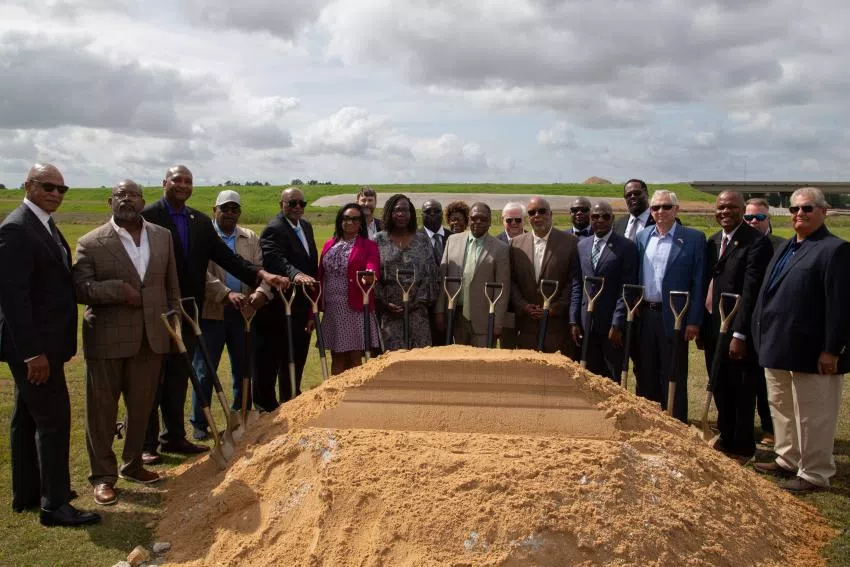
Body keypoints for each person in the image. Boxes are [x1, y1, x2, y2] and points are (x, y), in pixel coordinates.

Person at [141, 165, 288, 465]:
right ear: (164, 182)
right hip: (159, 309)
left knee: (179, 376)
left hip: (188, 309)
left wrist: (262, 275)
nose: (183, 185)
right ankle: (146, 444)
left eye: (188, 181)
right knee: (153, 378)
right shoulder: (148, 216)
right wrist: (226, 293)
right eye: (177, 180)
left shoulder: (197, 221)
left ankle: (173, 437)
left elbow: (228, 259)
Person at [0, 163, 100, 526]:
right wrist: (32, 353)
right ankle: (55, 505)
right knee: (53, 420)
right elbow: (13, 299)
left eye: (62, 189)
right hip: (33, 349)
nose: (56, 194)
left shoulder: (43, 223)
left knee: (26, 418)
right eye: (48, 187)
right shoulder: (16, 228)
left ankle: (29, 492)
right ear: (28, 185)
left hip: (44, 345)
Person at [73, 180, 181, 505]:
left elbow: (171, 287)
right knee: (102, 412)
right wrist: (117, 290)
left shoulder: (162, 236)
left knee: (142, 407)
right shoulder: (91, 242)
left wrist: (174, 327)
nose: (126, 200)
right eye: (120, 195)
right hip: (107, 340)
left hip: (151, 338)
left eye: (132, 195)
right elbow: (80, 289)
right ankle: (103, 477)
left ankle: (133, 465)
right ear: (110, 202)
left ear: (143, 202)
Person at [752, 187, 850, 493]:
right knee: (781, 407)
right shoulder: (785, 246)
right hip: (777, 345)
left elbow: (841, 305)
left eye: (807, 208)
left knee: (814, 415)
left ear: (824, 211)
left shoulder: (835, 250)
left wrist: (832, 349)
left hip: (813, 350)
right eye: (794, 209)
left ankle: (815, 473)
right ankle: (787, 458)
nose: (799, 214)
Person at [698, 191, 773, 463]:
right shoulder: (714, 241)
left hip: (738, 328)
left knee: (741, 388)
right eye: (720, 207)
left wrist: (740, 334)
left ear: (742, 210)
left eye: (731, 207)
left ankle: (741, 446)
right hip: (714, 323)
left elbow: (752, 291)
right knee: (719, 382)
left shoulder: (756, 243)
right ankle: (726, 435)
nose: (725, 212)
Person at [190, 190, 271, 440]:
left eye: (234, 209)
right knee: (205, 370)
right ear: (214, 210)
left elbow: (261, 269)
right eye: (224, 208)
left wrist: (261, 293)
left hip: (244, 312)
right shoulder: (204, 235)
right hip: (212, 312)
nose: (229, 213)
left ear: (240, 212)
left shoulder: (250, 237)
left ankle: (240, 415)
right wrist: (225, 294)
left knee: (244, 368)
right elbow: (200, 273)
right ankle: (200, 423)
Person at [635, 190, 705, 422]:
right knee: (646, 373)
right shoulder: (642, 237)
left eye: (666, 207)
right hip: (646, 315)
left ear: (677, 209)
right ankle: (648, 423)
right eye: (655, 207)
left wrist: (693, 321)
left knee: (673, 373)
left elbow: (699, 282)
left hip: (675, 316)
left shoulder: (693, 239)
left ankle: (676, 424)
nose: (660, 211)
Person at [255, 187, 319, 410]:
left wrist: (312, 307)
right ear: (281, 204)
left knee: (297, 355)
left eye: (302, 203)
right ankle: (266, 406)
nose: (297, 207)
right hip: (279, 305)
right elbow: (275, 259)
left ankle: (291, 398)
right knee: (273, 358)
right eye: (292, 203)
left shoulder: (306, 227)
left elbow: (311, 264)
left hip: (301, 304)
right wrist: (295, 274)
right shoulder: (274, 229)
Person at [569, 201, 638, 381]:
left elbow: (626, 288)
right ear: (590, 218)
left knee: (612, 377)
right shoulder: (582, 246)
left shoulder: (626, 247)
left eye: (605, 216)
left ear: (612, 219)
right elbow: (577, 285)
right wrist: (573, 319)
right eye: (595, 216)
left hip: (611, 326)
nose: (600, 220)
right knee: (588, 376)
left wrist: (617, 323)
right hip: (586, 322)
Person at [509, 197, 580, 353]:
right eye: (532, 212)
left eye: (542, 211)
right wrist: (523, 306)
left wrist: (555, 309)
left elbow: (573, 282)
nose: (537, 215)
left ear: (550, 214)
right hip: (527, 326)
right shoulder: (515, 244)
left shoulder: (570, 243)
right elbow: (512, 281)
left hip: (556, 328)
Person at [435, 203, 510, 346]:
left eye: (483, 219)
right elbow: (443, 279)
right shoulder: (452, 241)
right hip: (456, 317)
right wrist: (439, 311)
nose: (478, 222)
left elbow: (503, 289)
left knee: (482, 359)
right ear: (468, 219)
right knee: (458, 358)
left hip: (484, 320)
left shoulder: (500, 248)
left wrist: (498, 323)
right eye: (474, 218)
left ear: (490, 221)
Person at [317, 204, 381, 373]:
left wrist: (370, 274)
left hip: (354, 307)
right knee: (336, 356)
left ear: (361, 223)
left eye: (355, 219)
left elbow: (372, 264)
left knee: (354, 356)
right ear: (340, 221)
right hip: (332, 307)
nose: (350, 222)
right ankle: (336, 389)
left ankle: (356, 389)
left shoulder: (368, 245)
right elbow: (321, 275)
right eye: (346, 218)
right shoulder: (329, 244)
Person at [376, 194, 439, 350]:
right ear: (389, 212)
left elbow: (431, 276)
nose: (401, 214)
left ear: (411, 214)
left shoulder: (422, 240)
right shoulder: (378, 240)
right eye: (397, 210)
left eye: (405, 210)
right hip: (390, 314)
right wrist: (384, 303)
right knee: (393, 360)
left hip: (418, 314)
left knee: (420, 359)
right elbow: (373, 277)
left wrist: (414, 304)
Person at [744, 197, 784, 446]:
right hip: (741, 320)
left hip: (769, 321)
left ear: (768, 218)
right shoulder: (739, 243)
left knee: (767, 379)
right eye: (748, 217)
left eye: (759, 217)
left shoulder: (781, 246)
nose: (753, 222)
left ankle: (771, 427)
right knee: (745, 378)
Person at [419, 199, 448, 345]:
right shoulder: (414, 238)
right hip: (422, 305)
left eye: (436, 211)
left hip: (448, 302)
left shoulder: (453, 238)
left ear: (442, 214)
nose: (432, 214)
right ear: (421, 215)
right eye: (428, 211)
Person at [497, 202, 526, 348]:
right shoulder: (495, 243)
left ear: (524, 220)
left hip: (528, 308)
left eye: (518, 220)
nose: (514, 223)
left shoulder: (534, 241)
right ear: (503, 220)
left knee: (528, 350)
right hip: (505, 308)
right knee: (507, 349)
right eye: (509, 220)